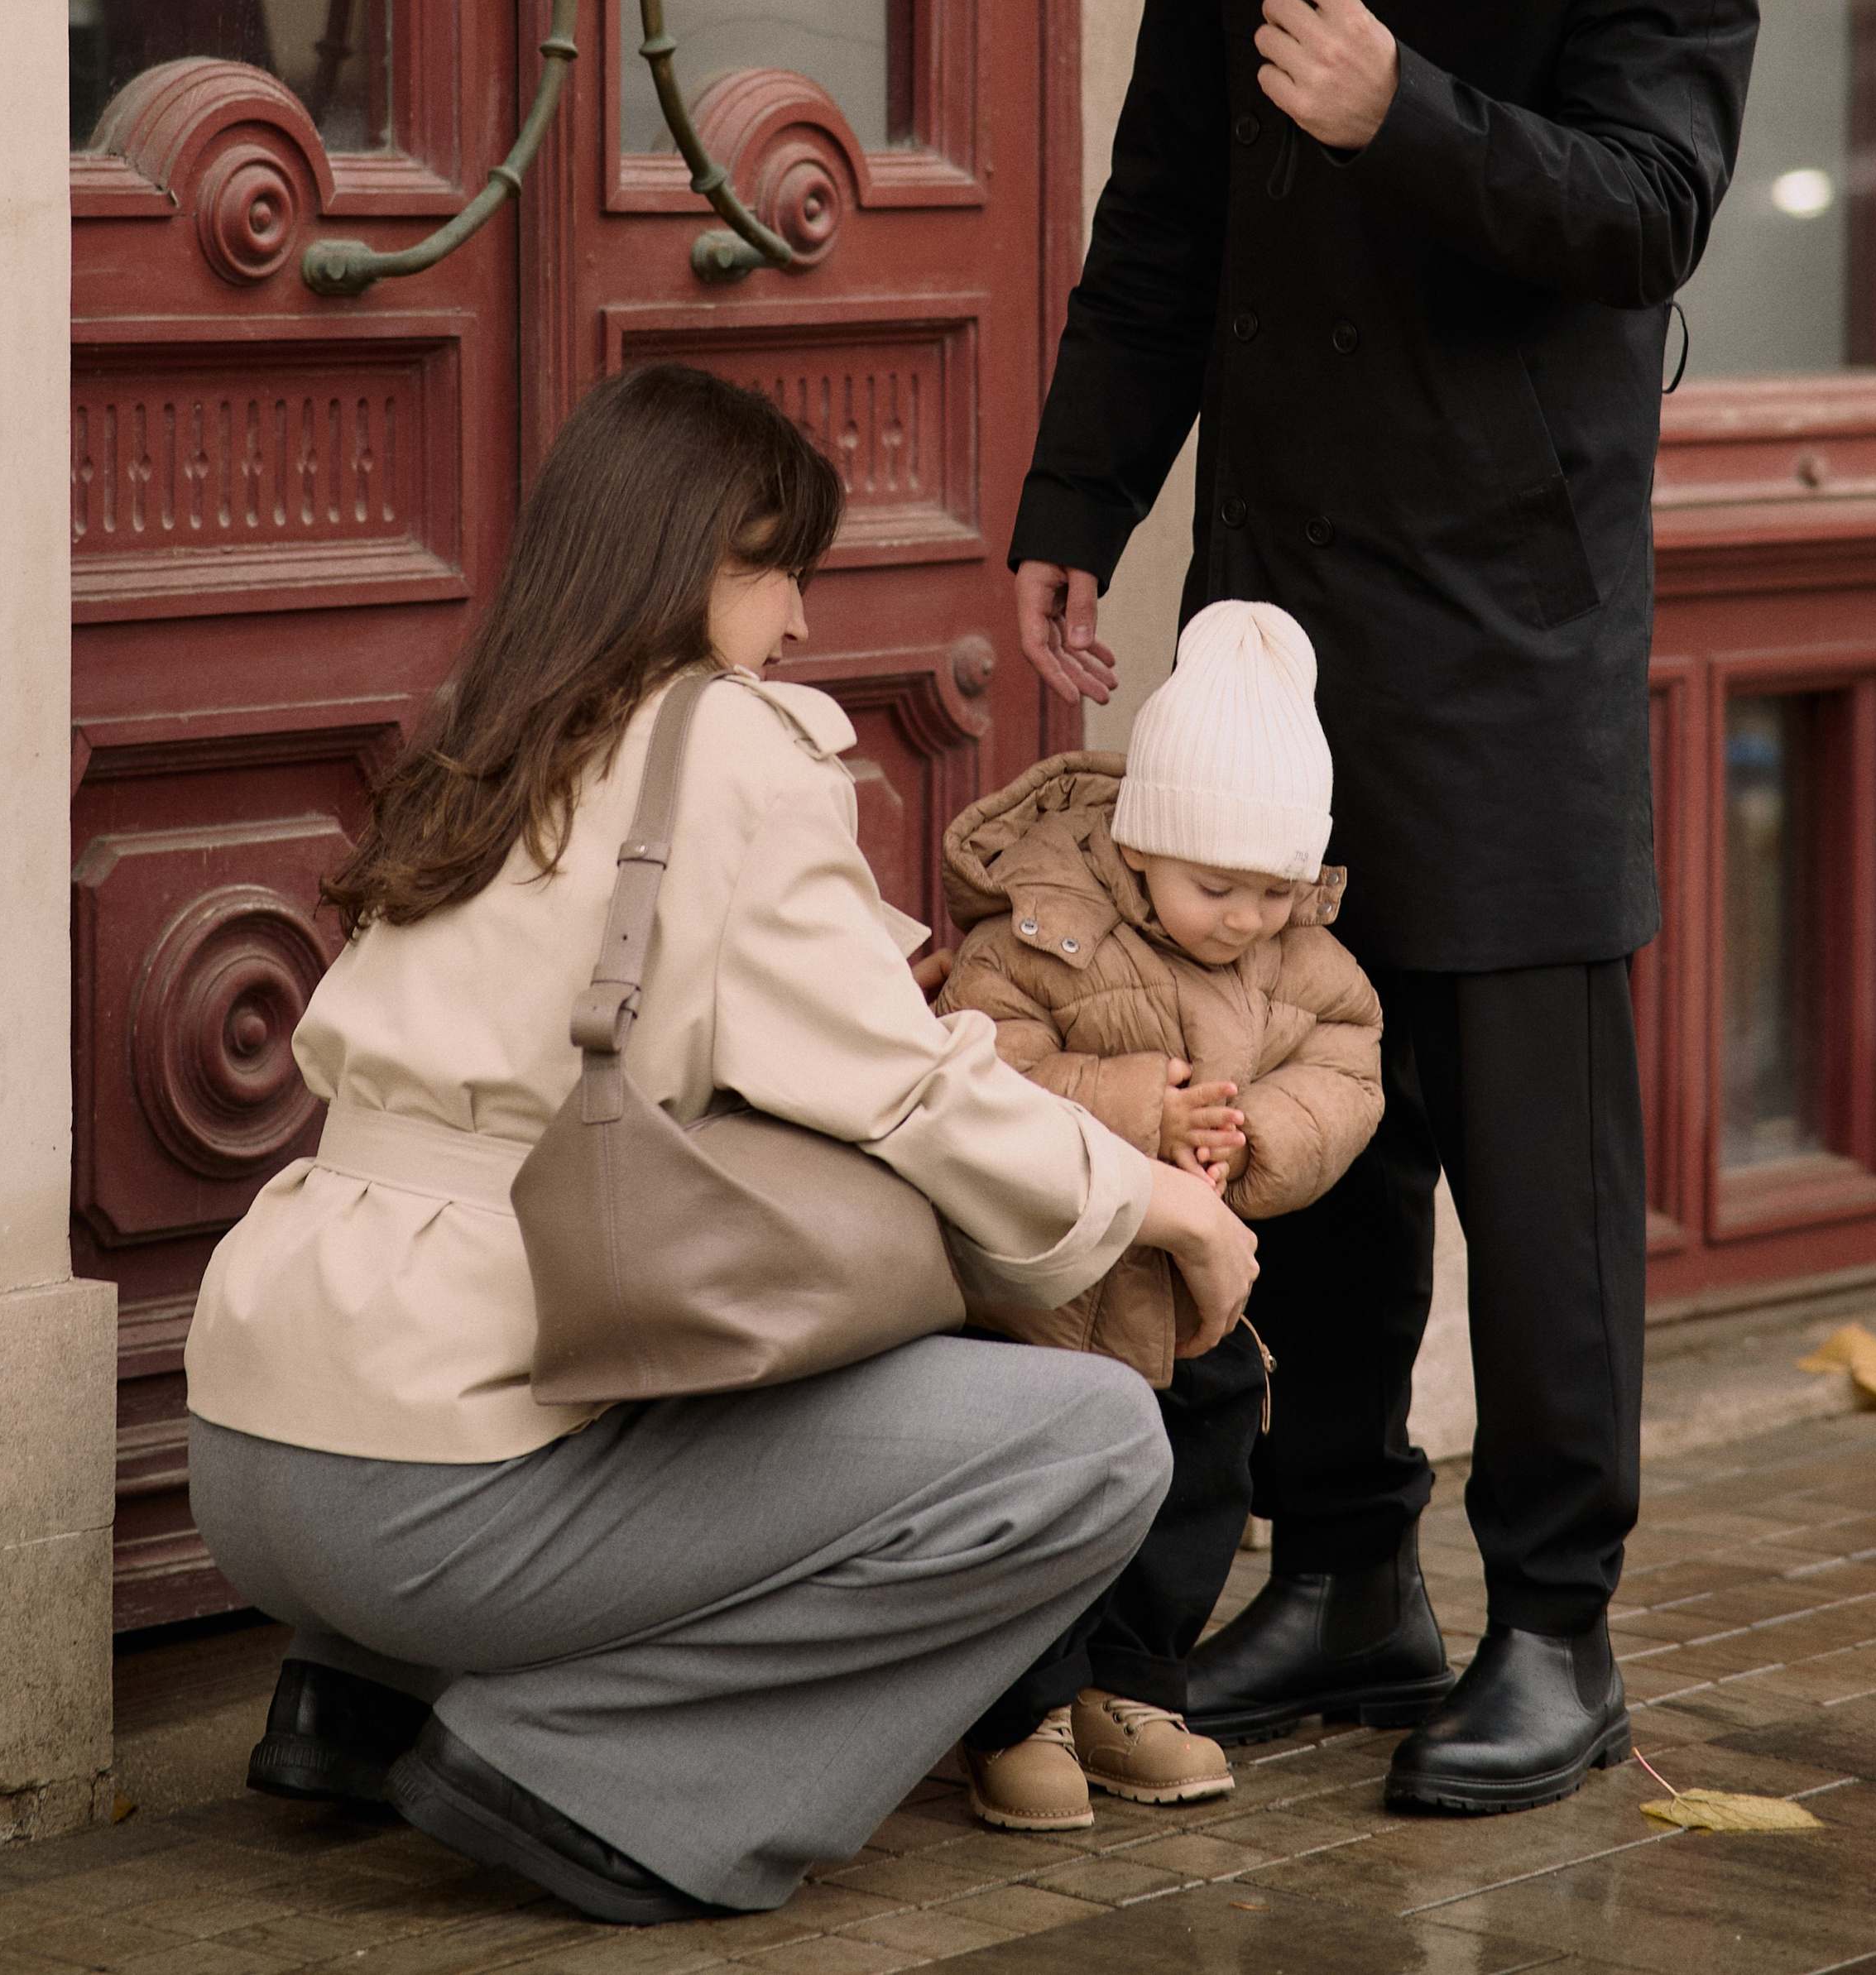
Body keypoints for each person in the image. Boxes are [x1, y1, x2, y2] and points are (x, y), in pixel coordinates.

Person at [1011, 0, 1758, 1816]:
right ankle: (1342, 1568)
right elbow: (1163, 207)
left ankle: (1556, 1624)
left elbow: (1651, 205)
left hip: (1516, 610)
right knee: (1286, 1102)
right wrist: (1072, 507)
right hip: (1278, 595)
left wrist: (1399, 104)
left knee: (1531, 1153)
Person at [183, 362, 1259, 1925]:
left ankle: (357, 1704)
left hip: (254, 1446)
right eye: (782, 570)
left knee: (650, 1309)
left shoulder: (491, 729)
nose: (803, 624)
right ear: (692, 555)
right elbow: (909, 1096)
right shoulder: (736, 744)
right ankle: (580, 1773)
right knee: (1088, 1443)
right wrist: (1164, 1202)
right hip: (441, 1500)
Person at [934, 599, 1385, 1835]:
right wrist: (1140, 1107)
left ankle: (1132, 1689)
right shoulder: (1042, 931)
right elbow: (978, 1066)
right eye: (1215, 887)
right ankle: (1014, 1711)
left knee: (1199, 1475)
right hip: (1048, 1289)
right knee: (1043, 1492)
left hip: (1192, 1296)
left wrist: (1262, 1138)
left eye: (1273, 892)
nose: (1245, 917)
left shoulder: (1297, 956)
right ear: (1139, 846)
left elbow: (1351, 1060)